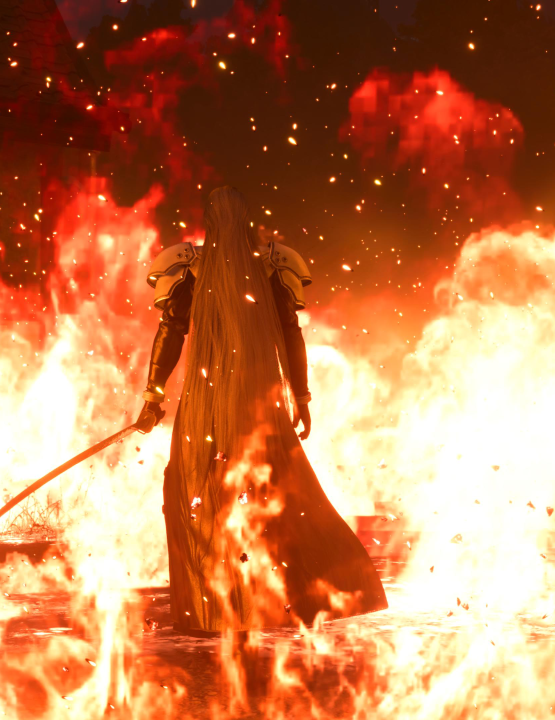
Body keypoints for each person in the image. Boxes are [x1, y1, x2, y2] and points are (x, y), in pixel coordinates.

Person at [136, 186, 387, 636]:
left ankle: (225, 608)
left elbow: (171, 333)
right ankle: (241, 605)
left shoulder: (191, 266)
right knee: (258, 495)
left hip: (216, 406)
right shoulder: (271, 266)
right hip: (248, 405)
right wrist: (301, 398)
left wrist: (154, 397)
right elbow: (290, 334)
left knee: (209, 495)